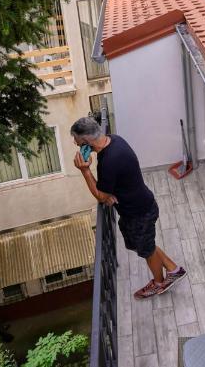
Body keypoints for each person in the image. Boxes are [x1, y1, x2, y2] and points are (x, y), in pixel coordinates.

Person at [71, 116, 186, 299]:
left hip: (139, 213)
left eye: (77, 142)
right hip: (139, 207)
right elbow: (113, 185)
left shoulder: (108, 160)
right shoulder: (115, 140)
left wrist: (85, 171)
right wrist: (110, 192)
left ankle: (159, 283)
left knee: (147, 250)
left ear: (85, 141)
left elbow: (101, 196)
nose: (76, 144)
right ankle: (173, 269)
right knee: (142, 245)